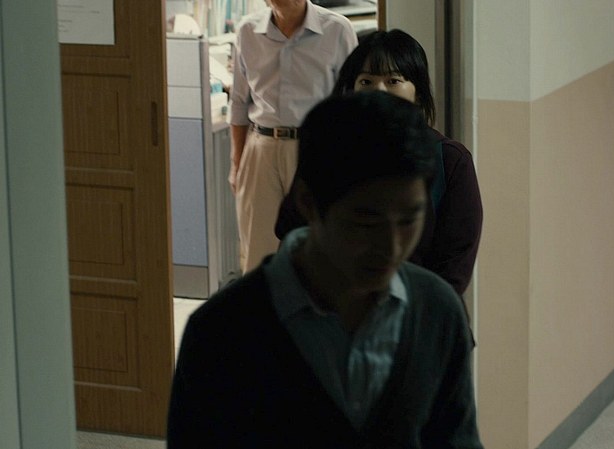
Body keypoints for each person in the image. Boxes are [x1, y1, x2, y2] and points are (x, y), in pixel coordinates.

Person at [167, 92, 483, 448]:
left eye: (409, 220)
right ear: (308, 202)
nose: (392, 246)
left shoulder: (437, 311)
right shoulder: (221, 333)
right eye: (366, 222)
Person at [275, 29, 483, 296]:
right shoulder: (327, 151)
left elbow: (454, 265)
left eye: (393, 80)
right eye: (366, 81)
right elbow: (292, 234)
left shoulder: (450, 161)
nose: (379, 91)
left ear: (418, 93)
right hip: (327, 307)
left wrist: (419, 312)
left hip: (415, 310)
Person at [228, 0, 357, 273]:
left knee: (319, 248)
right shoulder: (247, 31)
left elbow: (351, 102)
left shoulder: (337, 30)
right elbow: (238, 102)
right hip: (261, 148)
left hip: (317, 149)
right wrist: (237, 163)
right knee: (258, 252)